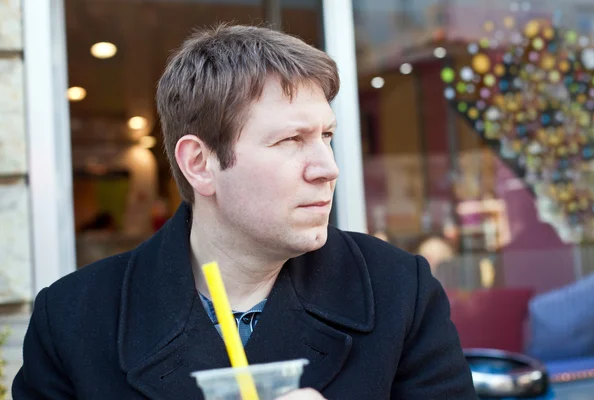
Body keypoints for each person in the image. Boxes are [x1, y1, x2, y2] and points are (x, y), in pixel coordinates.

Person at [12, 24, 477, 399]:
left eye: (327, 137)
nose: (327, 168)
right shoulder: (75, 320)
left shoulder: (398, 292)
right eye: (291, 141)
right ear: (200, 163)